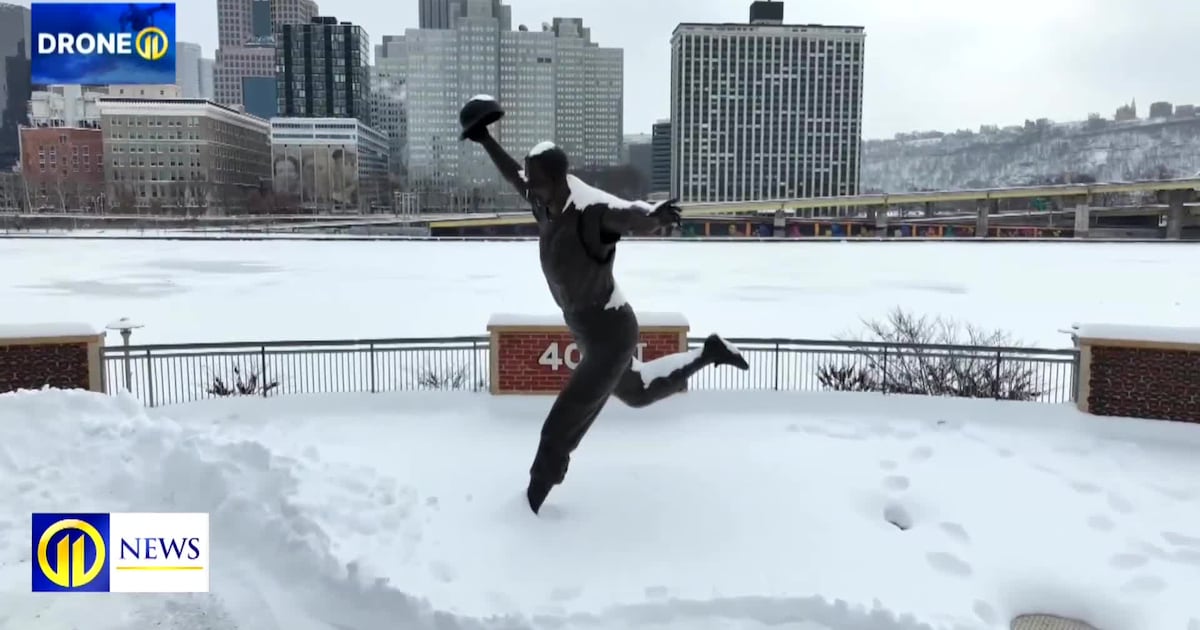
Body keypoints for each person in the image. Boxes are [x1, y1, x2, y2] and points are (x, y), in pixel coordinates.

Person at [464, 124, 750, 514]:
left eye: (536, 182)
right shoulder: (544, 203)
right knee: (638, 392)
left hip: (611, 334)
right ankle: (709, 353)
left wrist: (653, 217)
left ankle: (526, 514)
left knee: (559, 429)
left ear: (557, 178)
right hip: (586, 330)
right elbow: (514, 173)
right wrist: (484, 138)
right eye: (529, 182)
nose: (528, 188)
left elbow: (627, 216)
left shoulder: (589, 212)